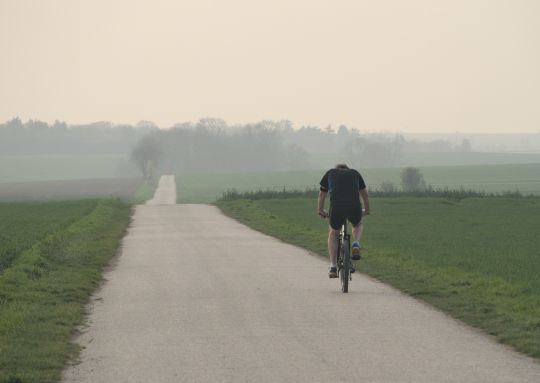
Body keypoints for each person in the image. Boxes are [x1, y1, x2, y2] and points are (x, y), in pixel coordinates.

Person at [317, 164, 370, 278]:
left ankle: (333, 267)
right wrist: (366, 210)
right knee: (357, 224)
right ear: (347, 169)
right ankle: (356, 243)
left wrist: (321, 210)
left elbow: (322, 194)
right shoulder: (355, 173)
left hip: (336, 208)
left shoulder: (330, 173)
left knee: (333, 234)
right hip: (354, 207)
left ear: (337, 169)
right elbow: (365, 194)